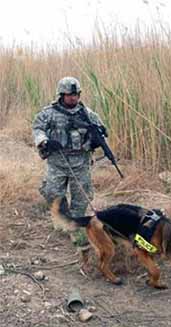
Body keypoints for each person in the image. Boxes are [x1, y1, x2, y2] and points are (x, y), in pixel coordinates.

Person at [32, 76, 105, 265]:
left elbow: (101, 130)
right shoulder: (49, 113)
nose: (73, 98)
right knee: (53, 193)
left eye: (76, 95)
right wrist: (45, 141)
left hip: (80, 161)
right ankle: (62, 217)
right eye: (69, 95)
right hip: (57, 161)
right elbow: (38, 128)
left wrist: (97, 138)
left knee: (82, 197)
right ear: (62, 95)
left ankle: (75, 226)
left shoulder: (88, 114)